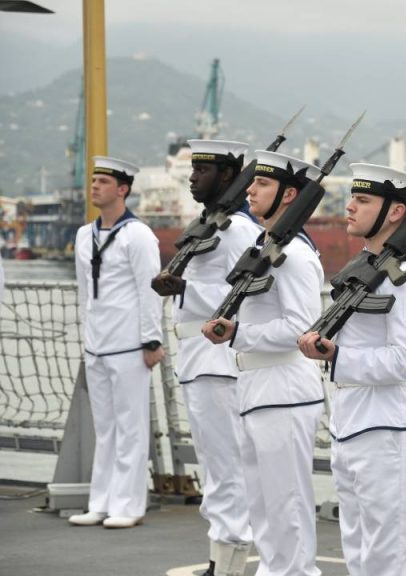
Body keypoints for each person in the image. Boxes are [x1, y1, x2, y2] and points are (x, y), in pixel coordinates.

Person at [297, 163, 406, 576]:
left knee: (387, 558)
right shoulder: (364, 267)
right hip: (352, 423)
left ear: (395, 212)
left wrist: (336, 357)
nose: (349, 207)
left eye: (363, 200)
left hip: (389, 432)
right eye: (353, 198)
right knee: (358, 553)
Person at [202, 150, 324, 576]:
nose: (249, 190)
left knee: (285, 505)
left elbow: (301, 328)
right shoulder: (268, 246)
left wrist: (237, 333)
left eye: (263, 185)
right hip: (257, 385)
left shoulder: (295, 256)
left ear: (290, 195)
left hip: (285, 388)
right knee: (263, 505)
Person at [151, 140, 260, 576]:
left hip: (219, 363)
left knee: (228, 469)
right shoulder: (210, 224)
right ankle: (221, 558)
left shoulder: (239, 230)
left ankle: (230, 562)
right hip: (198, 359)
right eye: (192, 170)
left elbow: (247, 294)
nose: (193, 177)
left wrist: (185, 289)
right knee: (216, 468)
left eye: (203, 171)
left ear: (229, 177)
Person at [69, 156, 164, 529]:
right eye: (93, 180)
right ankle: (101, 501)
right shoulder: (83, 235)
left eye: (103, 181)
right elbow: (83, 293)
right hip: (97, 344)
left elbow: (150, 290)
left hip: (128, 345)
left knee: (131, 426)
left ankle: (128, 504)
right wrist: (85, 336)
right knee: (105, 428)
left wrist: (151, 339)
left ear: (122, 189)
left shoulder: (138, 235)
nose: (95, 186)